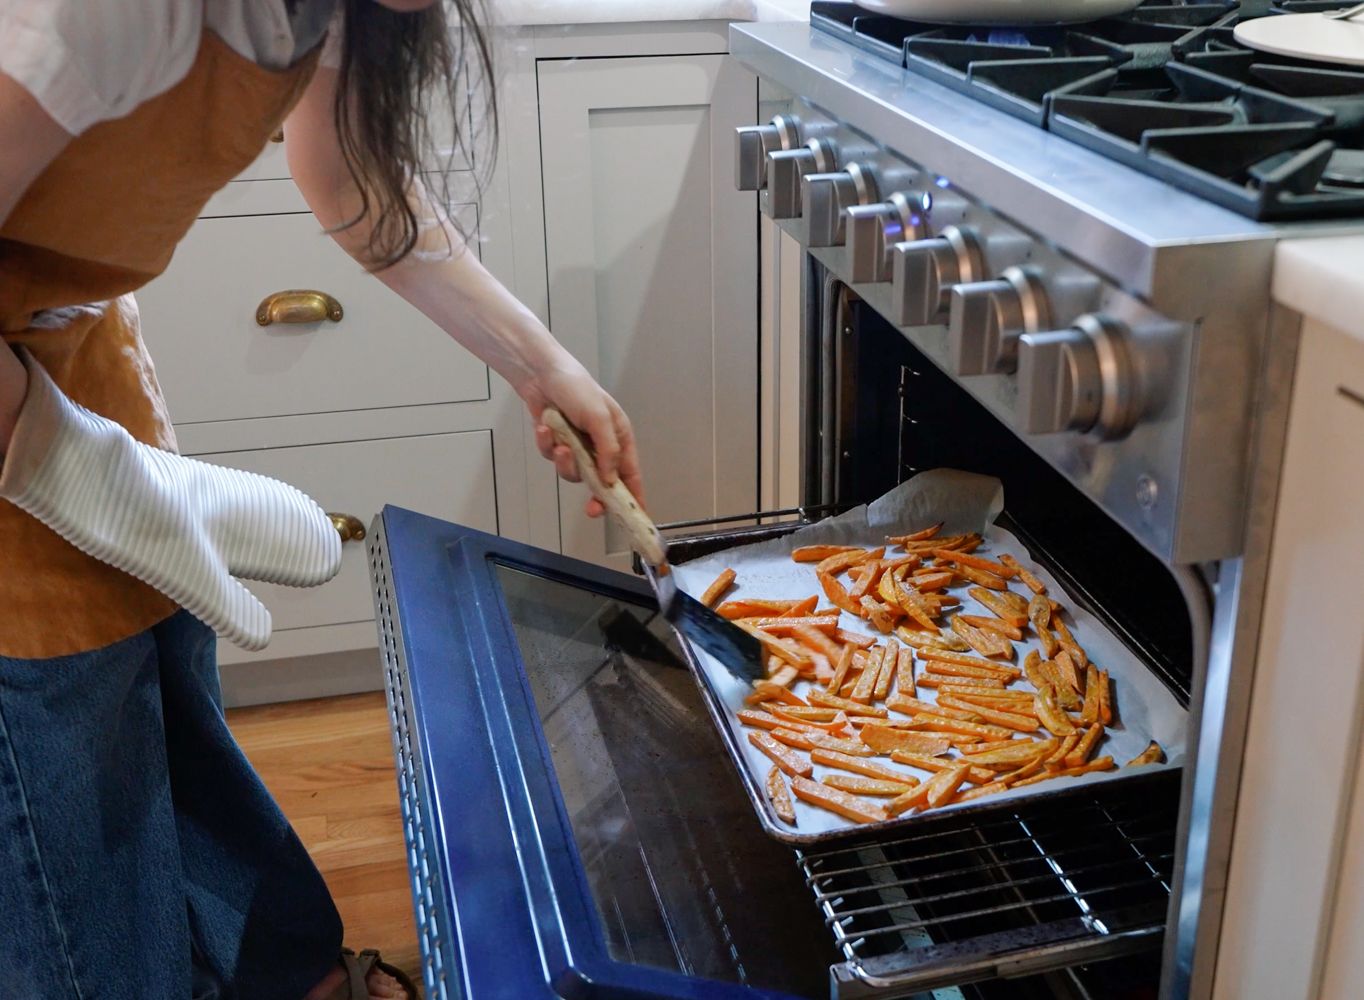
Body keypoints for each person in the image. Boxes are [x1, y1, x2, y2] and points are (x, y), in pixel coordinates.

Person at [0, 1, 644, 997]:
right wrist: (65, 459)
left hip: (66, 336)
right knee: (69, 766)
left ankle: (288, 976)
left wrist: (538, 364)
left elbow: (347, 179)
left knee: (168, 688)